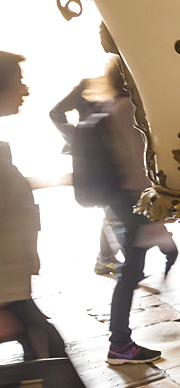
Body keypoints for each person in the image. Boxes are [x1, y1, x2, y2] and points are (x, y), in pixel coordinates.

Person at [0, 50, 140, 388]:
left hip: (11, 283)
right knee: (45, 341)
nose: (25, 88)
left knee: (47, 342)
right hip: (3, 288)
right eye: (18, 80)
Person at [97, 58, 177, 365]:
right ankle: (119, 344)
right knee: (130, 274)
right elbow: (139, 164)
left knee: (132, 270)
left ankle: (120, 342)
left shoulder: (112, 106)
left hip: (123, 199)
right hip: (136, 201)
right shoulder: (132, 110)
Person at [50, 78, 122, 275]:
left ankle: (107, 259)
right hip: (94, 159)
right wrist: (77, 137)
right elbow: (56, 113)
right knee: (112, 206)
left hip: (116, 155)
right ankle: (109, 259)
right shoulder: (89, 84)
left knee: (113, 208)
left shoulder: (128, 85)